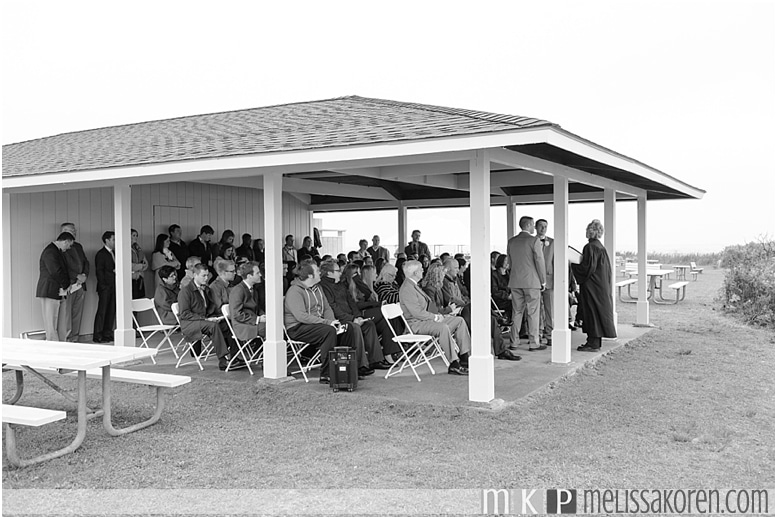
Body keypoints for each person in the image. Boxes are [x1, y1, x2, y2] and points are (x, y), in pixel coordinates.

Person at [283, 262, 372, 384]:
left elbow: (326, 308)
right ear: (310, 275)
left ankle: (349, 368)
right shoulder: (295, 291)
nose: (320, 273)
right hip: (298, 327)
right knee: (329, 331)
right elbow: (301, 316)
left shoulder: (318, 288)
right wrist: (327, 323)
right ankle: (327, 373)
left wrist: (332, 322)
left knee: (348, 328)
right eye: (317, 271)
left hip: (317, 324)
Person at [399, 260, 470, 375]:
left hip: (425, 320)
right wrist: (436, 317)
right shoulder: (407, 288)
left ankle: (464, 357)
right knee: (443, 327)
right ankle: (454, 363)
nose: (423, 270)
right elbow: (417, 313)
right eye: (421, 269)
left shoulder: (413, 285)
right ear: (415, 273)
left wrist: (437, 316)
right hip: (417, 324)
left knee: (459, 321)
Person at [318, 260, 390, 370]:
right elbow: (332, 308)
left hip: (351, 317)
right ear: (329, 273)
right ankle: (361, 365)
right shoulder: (324, 286)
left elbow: (351, 302)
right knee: (355, 327)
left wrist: (357, 316)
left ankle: (376, 360)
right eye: (338, 271)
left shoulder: (340, 284)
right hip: (339, 320)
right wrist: (352, 319)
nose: (340, 273)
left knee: (369, 324)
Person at [178, 264, 239, 371]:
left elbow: (209, 306)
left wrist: (217, 316)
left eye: (207, 275)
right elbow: (184, 314)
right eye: (203, 276)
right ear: (195, 275)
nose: (206, 279)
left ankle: (235, 357)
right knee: (213, 326)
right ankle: (222, 360)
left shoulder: (205, 289)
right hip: (190, 323)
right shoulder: (185, 291)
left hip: (205, 319)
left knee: (228, 324)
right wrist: (205, 319)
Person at [571, 220, 617, 351]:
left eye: (588, 229)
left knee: (591, 312)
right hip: (600, 285)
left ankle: (593, 343)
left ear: (591, 231)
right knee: (597, 311)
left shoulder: (590, 247)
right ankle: (594, 341)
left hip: (592, 285)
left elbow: (587, 268)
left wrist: (573, 265)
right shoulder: (600, 247)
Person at [507, 216, 546, 352]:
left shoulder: (511, 242)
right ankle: (534, 342)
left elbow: (510, 263)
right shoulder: (534, 240)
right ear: (529, 225)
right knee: (533, 312)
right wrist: (543, 280)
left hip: (515, 281)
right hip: (532, 281)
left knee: (516, 312)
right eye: (533, 225)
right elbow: (539, 261)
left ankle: (514, 342)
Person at [36, 231, 74, 341]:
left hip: (59, 291)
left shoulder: (56, 251)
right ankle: (53, 347)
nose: (69, 248)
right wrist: (66, 284)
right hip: (50, 290)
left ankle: (62, 344)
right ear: (66, 241)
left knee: (61, 322)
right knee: (51, 323)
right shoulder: (50, 252)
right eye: (69, 245)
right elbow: (55, 271)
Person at [60, 223, 89, 342]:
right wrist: (76, 276)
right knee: (66, 313)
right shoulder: (61, 247)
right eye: (72, 230)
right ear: (64, 231)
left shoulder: (78, 246)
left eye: (75, 230)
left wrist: (84, 275)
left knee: (77, 312)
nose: (75, 232)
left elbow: (86, 262)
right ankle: (67, 338)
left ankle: (75, 338)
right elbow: (63, 266)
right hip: (69, 284)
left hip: (80, 285)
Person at [228, 261, 266, 348]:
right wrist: (258, 319)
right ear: (249, 276)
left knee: (275, 325)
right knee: (272, 328)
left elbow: (257, 307)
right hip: (242, 325)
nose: (260, 275)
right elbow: (237, 315)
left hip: (251, 322)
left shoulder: (253, 289)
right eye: (257, 273)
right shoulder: (238, 290)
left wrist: (263, 315)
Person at [93, 231, 117, 343]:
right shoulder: (101, 254)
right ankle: (98, 335)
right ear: (107, 240)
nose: (115, 242)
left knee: (111, 311)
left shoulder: (115, 253)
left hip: (114, 286)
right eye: (113, 239)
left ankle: (108, 333)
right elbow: (99, 271)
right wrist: (103, 286)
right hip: (105, 286)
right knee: (102, 311)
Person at [536, 219, 555, 346]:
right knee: (535, 310)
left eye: (545, 226)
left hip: (549, 279)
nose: (543, 228)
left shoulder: (553, 242)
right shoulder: (531, 241)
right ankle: (537, 334)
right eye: (541, 226)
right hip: (535, 280)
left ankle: (550, 335)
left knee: (550, 309)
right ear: (536, 228)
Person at [491, 254, 512, 318]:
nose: (507, 262)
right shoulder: (494, 274)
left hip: (509, 299)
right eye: (506, 260)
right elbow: (495, 291)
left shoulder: (509, 274)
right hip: (500, 300)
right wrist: (507, 296)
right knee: (516, 305)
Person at [130, 229, 149, 299]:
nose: (135, 237)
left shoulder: (138, 248)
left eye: (136, 236)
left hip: (139, 276)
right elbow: (127, 265)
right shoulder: (125, 248)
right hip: (131, 277)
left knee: (139, 298)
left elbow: (145, 262)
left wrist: (143, 266)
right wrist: (140, 266)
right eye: (133, 235)